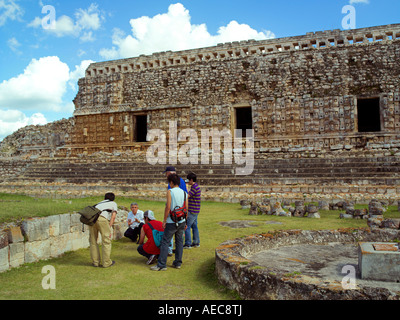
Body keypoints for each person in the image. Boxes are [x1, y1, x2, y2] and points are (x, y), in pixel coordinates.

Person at [151, 173, 188, 271]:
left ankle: (162, 264)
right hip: (182, 220)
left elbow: (168, 207)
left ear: (171, 182)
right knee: (179, 241)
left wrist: (164, 220)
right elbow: (186, 208)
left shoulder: (170, 191)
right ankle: (178, 262)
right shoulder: (184, 193)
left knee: (165, 241)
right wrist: (186, 222)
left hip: (172, 220)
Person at [89, 192, 118, 268]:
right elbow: (113, 216)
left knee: (93, 241)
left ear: (104, 198)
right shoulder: (113, 203)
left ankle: (95, 262)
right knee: (106, 241)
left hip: (92, 220)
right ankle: (106, 262)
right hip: (102, 219)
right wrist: (109, 227)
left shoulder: (98, 203)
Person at [184, 172, 201, 249]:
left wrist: (186, 187)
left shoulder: (194, 187)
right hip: (196, 210)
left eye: (188, 180)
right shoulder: (196, 186)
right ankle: (196, 242)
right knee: (194, 226)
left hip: (192, 210)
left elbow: (187, 195)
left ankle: (188, 243)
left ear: (191, 180)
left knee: (187, 226)